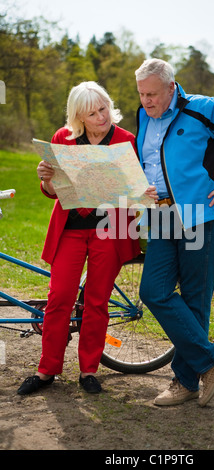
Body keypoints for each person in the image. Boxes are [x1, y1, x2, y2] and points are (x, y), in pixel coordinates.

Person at [135, 59, 214, 407]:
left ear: (172, 87)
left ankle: (185, 381)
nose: (147, 101)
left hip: (202, 215)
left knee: (194, 299)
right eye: (142, 94)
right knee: (153, 291)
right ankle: (211, 360)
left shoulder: (203, 108)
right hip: (161, 216)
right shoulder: (143, 115)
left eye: (153, 94)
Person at [17, 81, 148, 395]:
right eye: (92, 113)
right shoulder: (63, 139)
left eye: (103, 108)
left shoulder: (127, 140)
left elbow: (135, 193)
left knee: (96, 302)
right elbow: (52, 193)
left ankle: (89, 370)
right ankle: (47, 370)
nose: (102, 117)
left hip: (108, 229)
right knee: (59, 297)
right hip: (71, 231)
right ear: (79, 117)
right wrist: (46, 180)